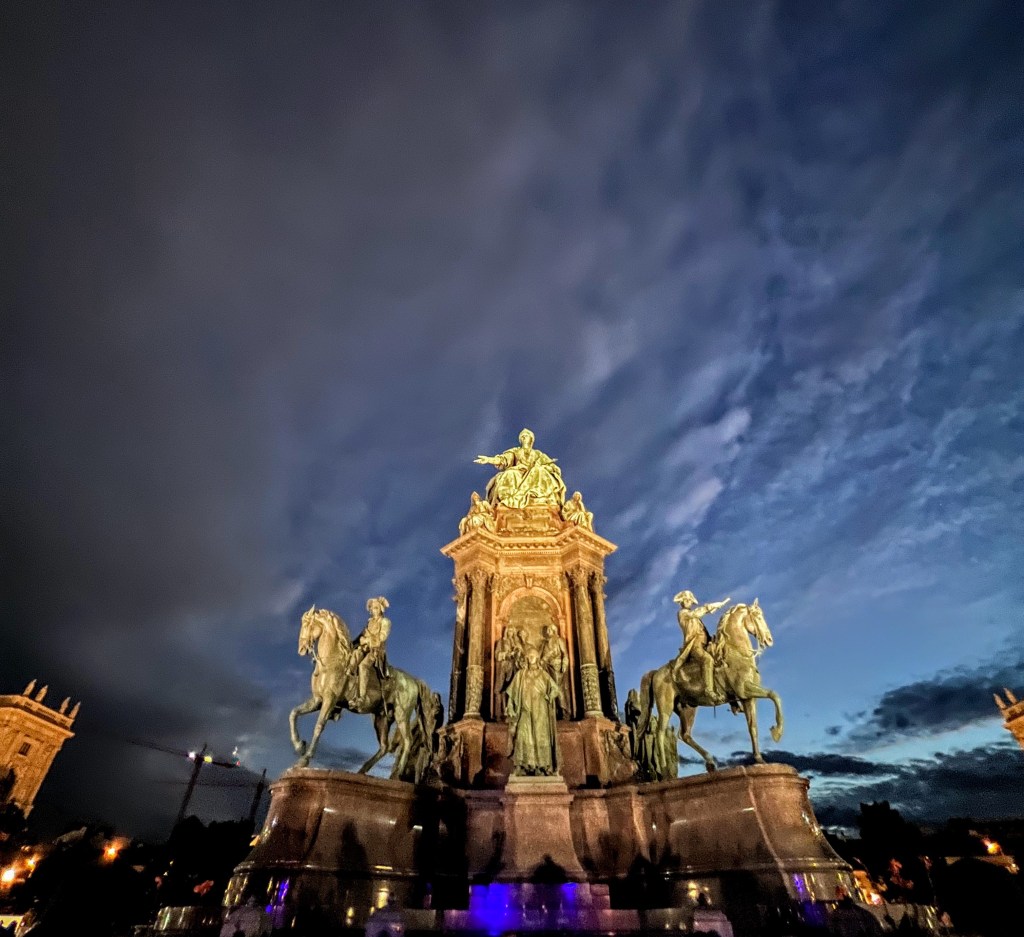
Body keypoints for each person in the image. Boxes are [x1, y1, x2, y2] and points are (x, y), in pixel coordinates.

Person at [475, 428, 566, 508]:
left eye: (526, 436)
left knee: (538, 470)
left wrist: (552, 468)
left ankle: (534, 495)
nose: (523, 438)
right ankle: (511, 498)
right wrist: (489, 460)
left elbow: (549, 464)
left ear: (531, 439)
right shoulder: (516, 451)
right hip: (518, 472)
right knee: (509, 473)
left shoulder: (538, 454)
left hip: (535, 475)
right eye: (522, 437)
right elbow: (503, 459)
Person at [506, 647, 561, 775]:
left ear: (537, 658)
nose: (531, 658)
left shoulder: (543, 674)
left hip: (540, 711)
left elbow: (555, 689)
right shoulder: (521, 674)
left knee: (540, 737)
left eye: (533, 655)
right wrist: (510, 707)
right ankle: (523, 765)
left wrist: (550, 696)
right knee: (523, 735)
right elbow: (512, 693)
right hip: (525, 710)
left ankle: (542, 766)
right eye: (529, 656)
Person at [670, 590, 730, 701]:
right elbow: (696, 613)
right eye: (685, 600)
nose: (688, 602)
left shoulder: (696, 619)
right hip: (694, 645)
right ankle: (709, 690)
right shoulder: (683, 613)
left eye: (689, 600)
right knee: (708, 660)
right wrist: (711, 606)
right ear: (681, 602)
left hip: (705, 643)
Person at [349, 596, 392, 707]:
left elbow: (382, 638)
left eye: (376, 608)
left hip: (376, 652)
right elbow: (361, 636)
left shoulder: (385, 622)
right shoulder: (369, 623)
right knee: (353, 656)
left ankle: (362, 698)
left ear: (381, 609)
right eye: (372, 608)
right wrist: (353, 643)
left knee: (363, 666)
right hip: (364, 649)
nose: (374, 610)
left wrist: (367, 640)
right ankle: (347, 686)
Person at [539, 623, 569, 717]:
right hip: (546, 667)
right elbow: (541, 655)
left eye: (549, 629)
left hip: (556, 666)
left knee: (557, 687)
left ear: (553, 630)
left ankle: (563, 709)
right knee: (547, 688)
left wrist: (564, 664)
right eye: (547, 630)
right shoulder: (545, 643)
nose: (547, 631)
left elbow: (565, 653)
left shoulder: (559, 640)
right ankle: (552, 710)